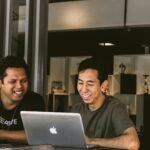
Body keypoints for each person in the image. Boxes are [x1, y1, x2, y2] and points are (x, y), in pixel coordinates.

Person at [72, 58, 140, 150]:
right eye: (80, 83)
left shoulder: (115, 108)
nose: (83, 89)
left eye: (90, 84)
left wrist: (92, 141)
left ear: (104, 86)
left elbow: (133, 143)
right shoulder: (77, 109)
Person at [0, 56, 45, 144]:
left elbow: (38, 135)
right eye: (13, 81)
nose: (19, 86)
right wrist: (19, 135)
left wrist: (2, 134)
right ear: (1, 83)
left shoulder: (35, 100)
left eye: (23, 81)